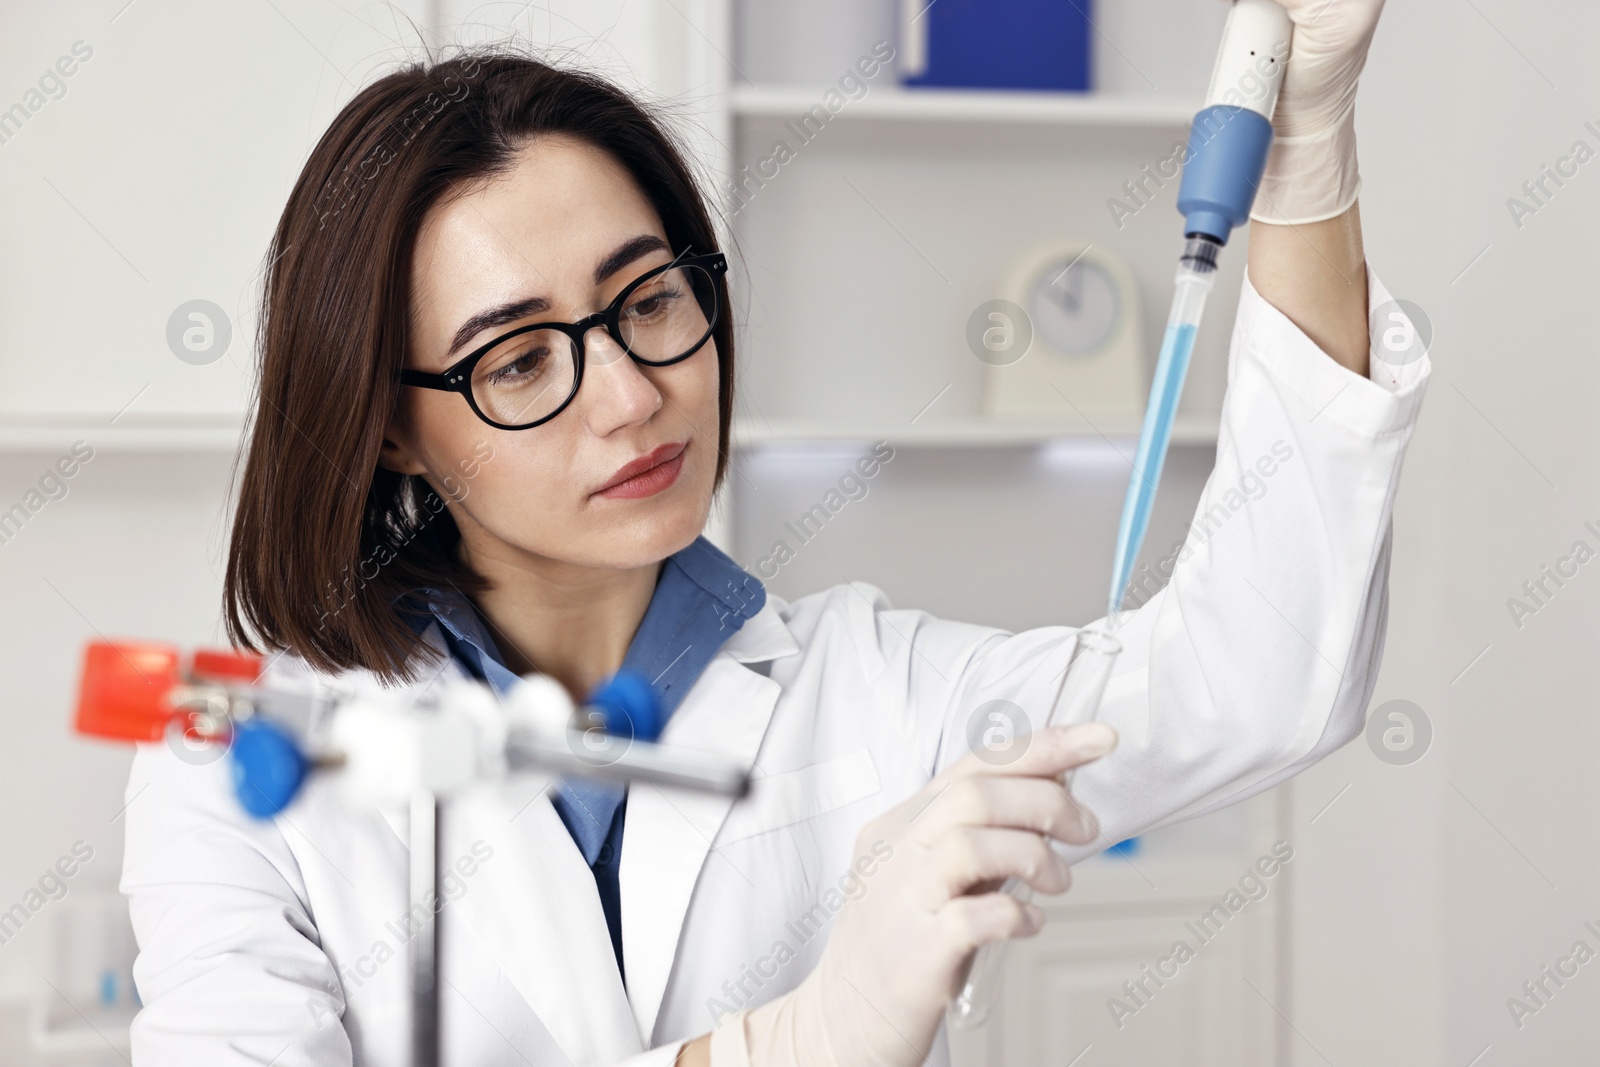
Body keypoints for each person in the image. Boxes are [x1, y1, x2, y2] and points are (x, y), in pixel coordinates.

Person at [118, 0, 1422, 1064]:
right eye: (518, 362)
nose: (634, 395)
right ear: (389, 424)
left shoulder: (877, 693)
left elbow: (1259, 674)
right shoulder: (234, 760)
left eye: (649, 299)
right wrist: (780, 1048)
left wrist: (1309, 145)